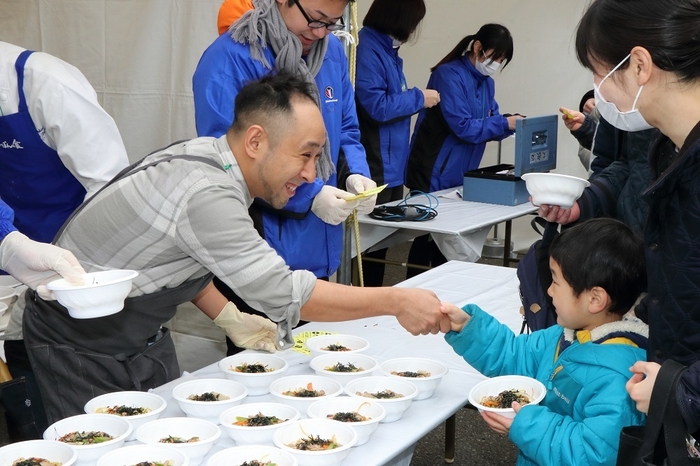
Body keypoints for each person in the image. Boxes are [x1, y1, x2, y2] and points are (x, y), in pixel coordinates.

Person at [20, 72, 449, 424]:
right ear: (256, 141)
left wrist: (227, 316)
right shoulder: (207, 191)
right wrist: (395, 299)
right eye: (305, 155)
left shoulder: (216, 159)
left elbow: (175, 256)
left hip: (140, 330)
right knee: (104, 446)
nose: (311, 173)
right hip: (78, 339)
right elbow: (286, 294)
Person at [539, 0, 700, 447]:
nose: (598, 91)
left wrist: (684, 392)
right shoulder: (666, 148)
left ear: (641, 65)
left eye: (599, 72)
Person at [194, 0, 376, 353]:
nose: (319, 32)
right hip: (258, 248)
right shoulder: (231, 57)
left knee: (316, 363)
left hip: (318, 243)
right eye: (314, 19)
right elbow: (227, 160)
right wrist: (312, 194)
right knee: (262, 364)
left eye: (332, 23)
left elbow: (348, 128)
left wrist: (356, 174)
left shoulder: (331, 53)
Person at [0, 41, 129, 440]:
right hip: (10, 256)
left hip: (67, 268)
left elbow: (109, 189)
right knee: (23, 399)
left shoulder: (46, 84)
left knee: (74, 401)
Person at [442, 218, 648, 465]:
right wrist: (467, 327)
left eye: (556, 281)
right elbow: (515, 355)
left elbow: (592, 454)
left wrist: (525, 426)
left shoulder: (620, 378)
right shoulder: (564, 335)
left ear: (595, 299)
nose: (549, 291)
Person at [404, 24, 521, 277]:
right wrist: (503, 123)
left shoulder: (486, 83)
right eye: (496, 57)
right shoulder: (449, 74)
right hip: (433, 168)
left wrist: (510, 123)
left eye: (501, 61)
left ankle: (443, 296)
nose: (496, 64)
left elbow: (489, 121)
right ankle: (414, 291)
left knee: (446, 240)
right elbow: (464, 127)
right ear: (478, 47)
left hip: (460, 171)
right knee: (429, 236)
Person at [354, 0, 439, 286]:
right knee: (366, 248)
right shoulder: (368, 48)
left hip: (391, 165)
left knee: (381, 243)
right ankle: (364, 304)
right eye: (414, 22)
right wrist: (419, 97)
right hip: (375, 163)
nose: (414, 29)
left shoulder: (388, 51)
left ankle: (374, 302)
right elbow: (375, 106)